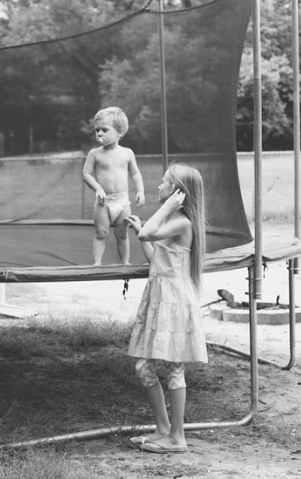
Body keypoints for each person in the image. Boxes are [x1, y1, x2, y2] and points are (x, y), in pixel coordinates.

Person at [124, 163, 208, 454]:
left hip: (175, 301)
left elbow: (148, 234)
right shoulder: (172, 222)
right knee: (144, 365)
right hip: (161, 296)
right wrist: (140, 228)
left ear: (176, 192)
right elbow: (155, 258)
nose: (157, 186)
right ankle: (162, 429)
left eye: (163, 183)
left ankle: (178, 437)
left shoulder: (183, 221)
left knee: (174, 368)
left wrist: (164, 210)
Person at [82, 107, 145, 265]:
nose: (99, 133)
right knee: (101, 233)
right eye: (97, 130)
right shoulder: (94, 153)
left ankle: (125, 262)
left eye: (104, 129)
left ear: (119, 132)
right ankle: (97, 263)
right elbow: (86, 174)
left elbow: (135, 173)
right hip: (103, 202)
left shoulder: (127, 153)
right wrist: (98, 188)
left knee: (122, 233)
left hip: (122, 201)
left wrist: (140, 191)